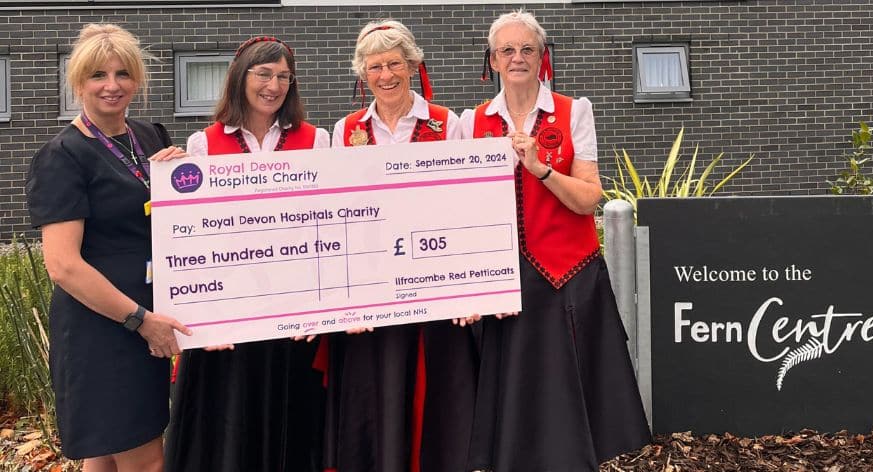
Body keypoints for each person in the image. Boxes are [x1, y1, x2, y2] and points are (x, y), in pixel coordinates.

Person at [459, 10, 651, 472]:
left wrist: (540, 168)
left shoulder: (573, 110)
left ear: (542, 57)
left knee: (573, 407)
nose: (517, 57)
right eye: (508, 50)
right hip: (506, 281)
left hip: (568, 275)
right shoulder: (471, 121)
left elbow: (590, 199)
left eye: (527, 48)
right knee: (517, 406)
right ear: (493, 60)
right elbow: (465, 212)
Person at [26, 23, 190, 471]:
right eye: (98, 75)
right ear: (78, 82)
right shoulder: (63, 156)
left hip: (145, 320)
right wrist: (140, 321)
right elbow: (62, 265)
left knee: (104, 458)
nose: (112, 86)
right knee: (146, 460)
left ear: (137, 79)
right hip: (103, 330)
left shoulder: (148, 136)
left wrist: (180, 175)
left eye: (123, 74)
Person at [164, 36, 330, 472]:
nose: (273, 85)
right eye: (264, 74)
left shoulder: (317, 141)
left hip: (292, 311)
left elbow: (327, 225)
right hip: (228, 317)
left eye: (283, 77)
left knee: (291, 425)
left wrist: (319, 308)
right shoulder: (202, 144)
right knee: (229, 429)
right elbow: (191, 236)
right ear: (241, 78)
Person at [319, 19, 477, 472]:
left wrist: (469, 286)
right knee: (377, 390)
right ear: (362, 75)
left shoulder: (448, 124)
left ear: (412, 65)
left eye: (394, 64)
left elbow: (468, 206)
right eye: (374, 67)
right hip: (371, 285)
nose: (385, 76)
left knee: (432, 394)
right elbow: (336, 215)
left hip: (433, 278)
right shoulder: (344, 130)